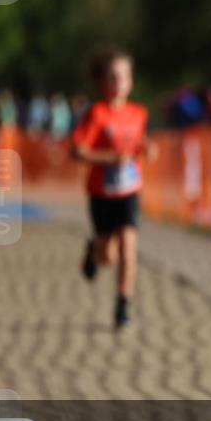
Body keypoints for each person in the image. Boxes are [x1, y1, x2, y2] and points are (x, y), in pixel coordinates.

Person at [71, 47, 153, 331]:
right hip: (101, 193)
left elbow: (138, 142)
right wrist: (108, 158)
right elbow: (77, 151)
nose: (118, 82)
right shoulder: (97, 114)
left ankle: (122, 307)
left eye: (123, 76)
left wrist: (147, 149)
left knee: (129, 250)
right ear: (103, 82)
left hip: (129, 191)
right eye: (112, 77)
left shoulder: (139, 113)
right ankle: (94, 249)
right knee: (108, 256)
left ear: (130, 81)